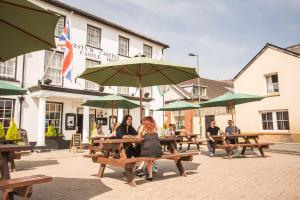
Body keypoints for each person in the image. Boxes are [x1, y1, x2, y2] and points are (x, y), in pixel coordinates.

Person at [138, 116, 163, 181]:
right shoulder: (155, 128)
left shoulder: (143, 128)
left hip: (148, 151)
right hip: (158, 151)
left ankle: (149, 175)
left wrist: (140, 130)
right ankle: (150, 175)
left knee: (148, 155)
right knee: (150, 158)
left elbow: (138, 137)